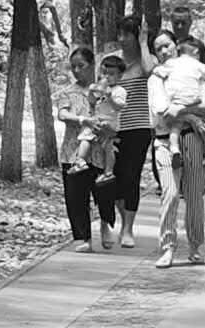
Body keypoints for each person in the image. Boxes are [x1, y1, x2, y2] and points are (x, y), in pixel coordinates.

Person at [55, 47, 119, 253]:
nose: (76, 70)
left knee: (104, 191)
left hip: (100, 150)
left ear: (92, 66)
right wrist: (83, 120)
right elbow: (63, 115)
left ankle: (106, 224)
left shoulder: (105, 90)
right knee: (76, 196)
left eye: (81, 66)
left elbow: (116, 110)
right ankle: (83, 238)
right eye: (73, 67)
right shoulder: (68, 92)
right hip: (73, 151)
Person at [109, 14, 155, 249]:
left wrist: (145, 43)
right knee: (113, 177)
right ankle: (121, 218)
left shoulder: (148, 60)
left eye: (127, 34)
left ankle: (128, 228)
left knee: (131, 177)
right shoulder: (112, 62)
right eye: (120, 34)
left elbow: (149, 71)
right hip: (114, 128)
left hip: (138, 128)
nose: (122, 39)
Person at [148, 33, 205, 170]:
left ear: (177, 45)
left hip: (194, 137)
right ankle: (178, 151)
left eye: (167, 45)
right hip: (164, 140)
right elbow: (162, 112)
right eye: (158, 49)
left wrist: (180, 110)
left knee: (193, 191)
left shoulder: (193, 69)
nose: (164, 51)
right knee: (170, 192)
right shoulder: (157, 77)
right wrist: (192, 117)